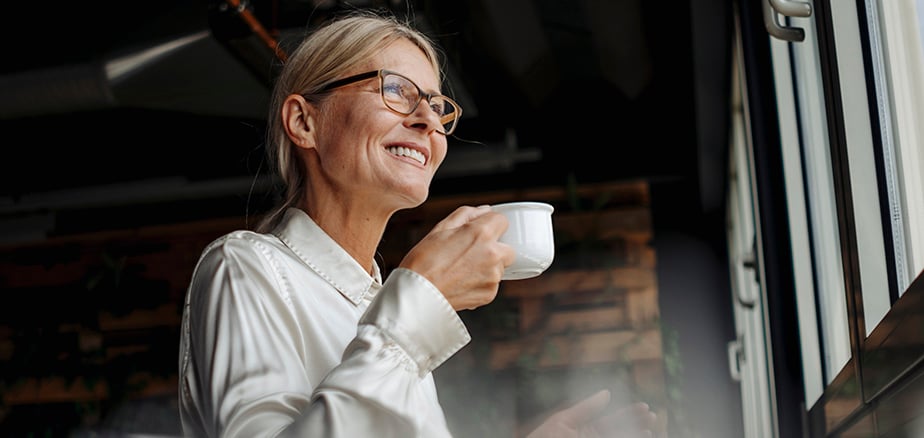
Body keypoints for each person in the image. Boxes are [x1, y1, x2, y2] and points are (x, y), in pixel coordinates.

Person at [178, 9, 657, 438]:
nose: (428, 118)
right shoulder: (243, 266)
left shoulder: (386, 303)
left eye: (437, 104)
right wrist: (419, 304)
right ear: (305, 122)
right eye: (395, 90)